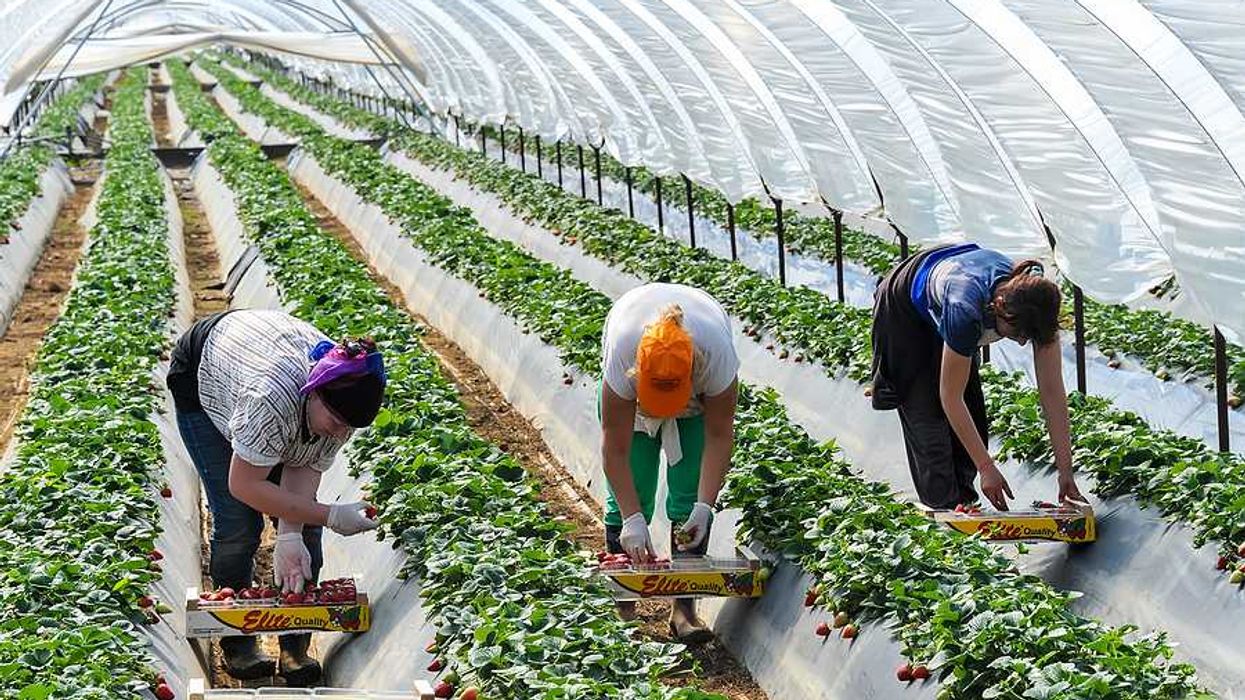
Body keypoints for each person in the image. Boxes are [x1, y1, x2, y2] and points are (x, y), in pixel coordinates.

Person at [167, 309, 386, 686]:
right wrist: (331, 515)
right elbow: (245, 485)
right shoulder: (270, 399)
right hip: (203, 377)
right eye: (336, 422)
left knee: (305, 529)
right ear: (314, 390)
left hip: (255, 364)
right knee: (239, 522)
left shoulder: (342, 407)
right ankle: (237, 639)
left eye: (348, 428)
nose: (339, 433)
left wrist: (290, 535)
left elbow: (303, 469)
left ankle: (295, 642)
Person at [870, 243, 1084, 512]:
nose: (1021, 343)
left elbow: (1052, 392)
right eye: (1015, 333)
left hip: (953, 281)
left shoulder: (1038, 306)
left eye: (1027, 338)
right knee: (927, 416)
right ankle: (945, 507)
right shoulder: (965, 309)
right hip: (905, 309)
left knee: (973, 413)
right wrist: (987, 467)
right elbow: (950, 396)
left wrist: (1065, 472)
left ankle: (964, 501)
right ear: (999, 307)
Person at [599, 283, 739, 643]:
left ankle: (684, 611)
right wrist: (631, 518)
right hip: (633, 400)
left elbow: (720, 434)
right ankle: (624, 607)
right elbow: (614, 449)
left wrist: (704, 506)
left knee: (688, 489)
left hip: (695, 406)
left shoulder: (716, 357)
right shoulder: (623, 355)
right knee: (635, 477)